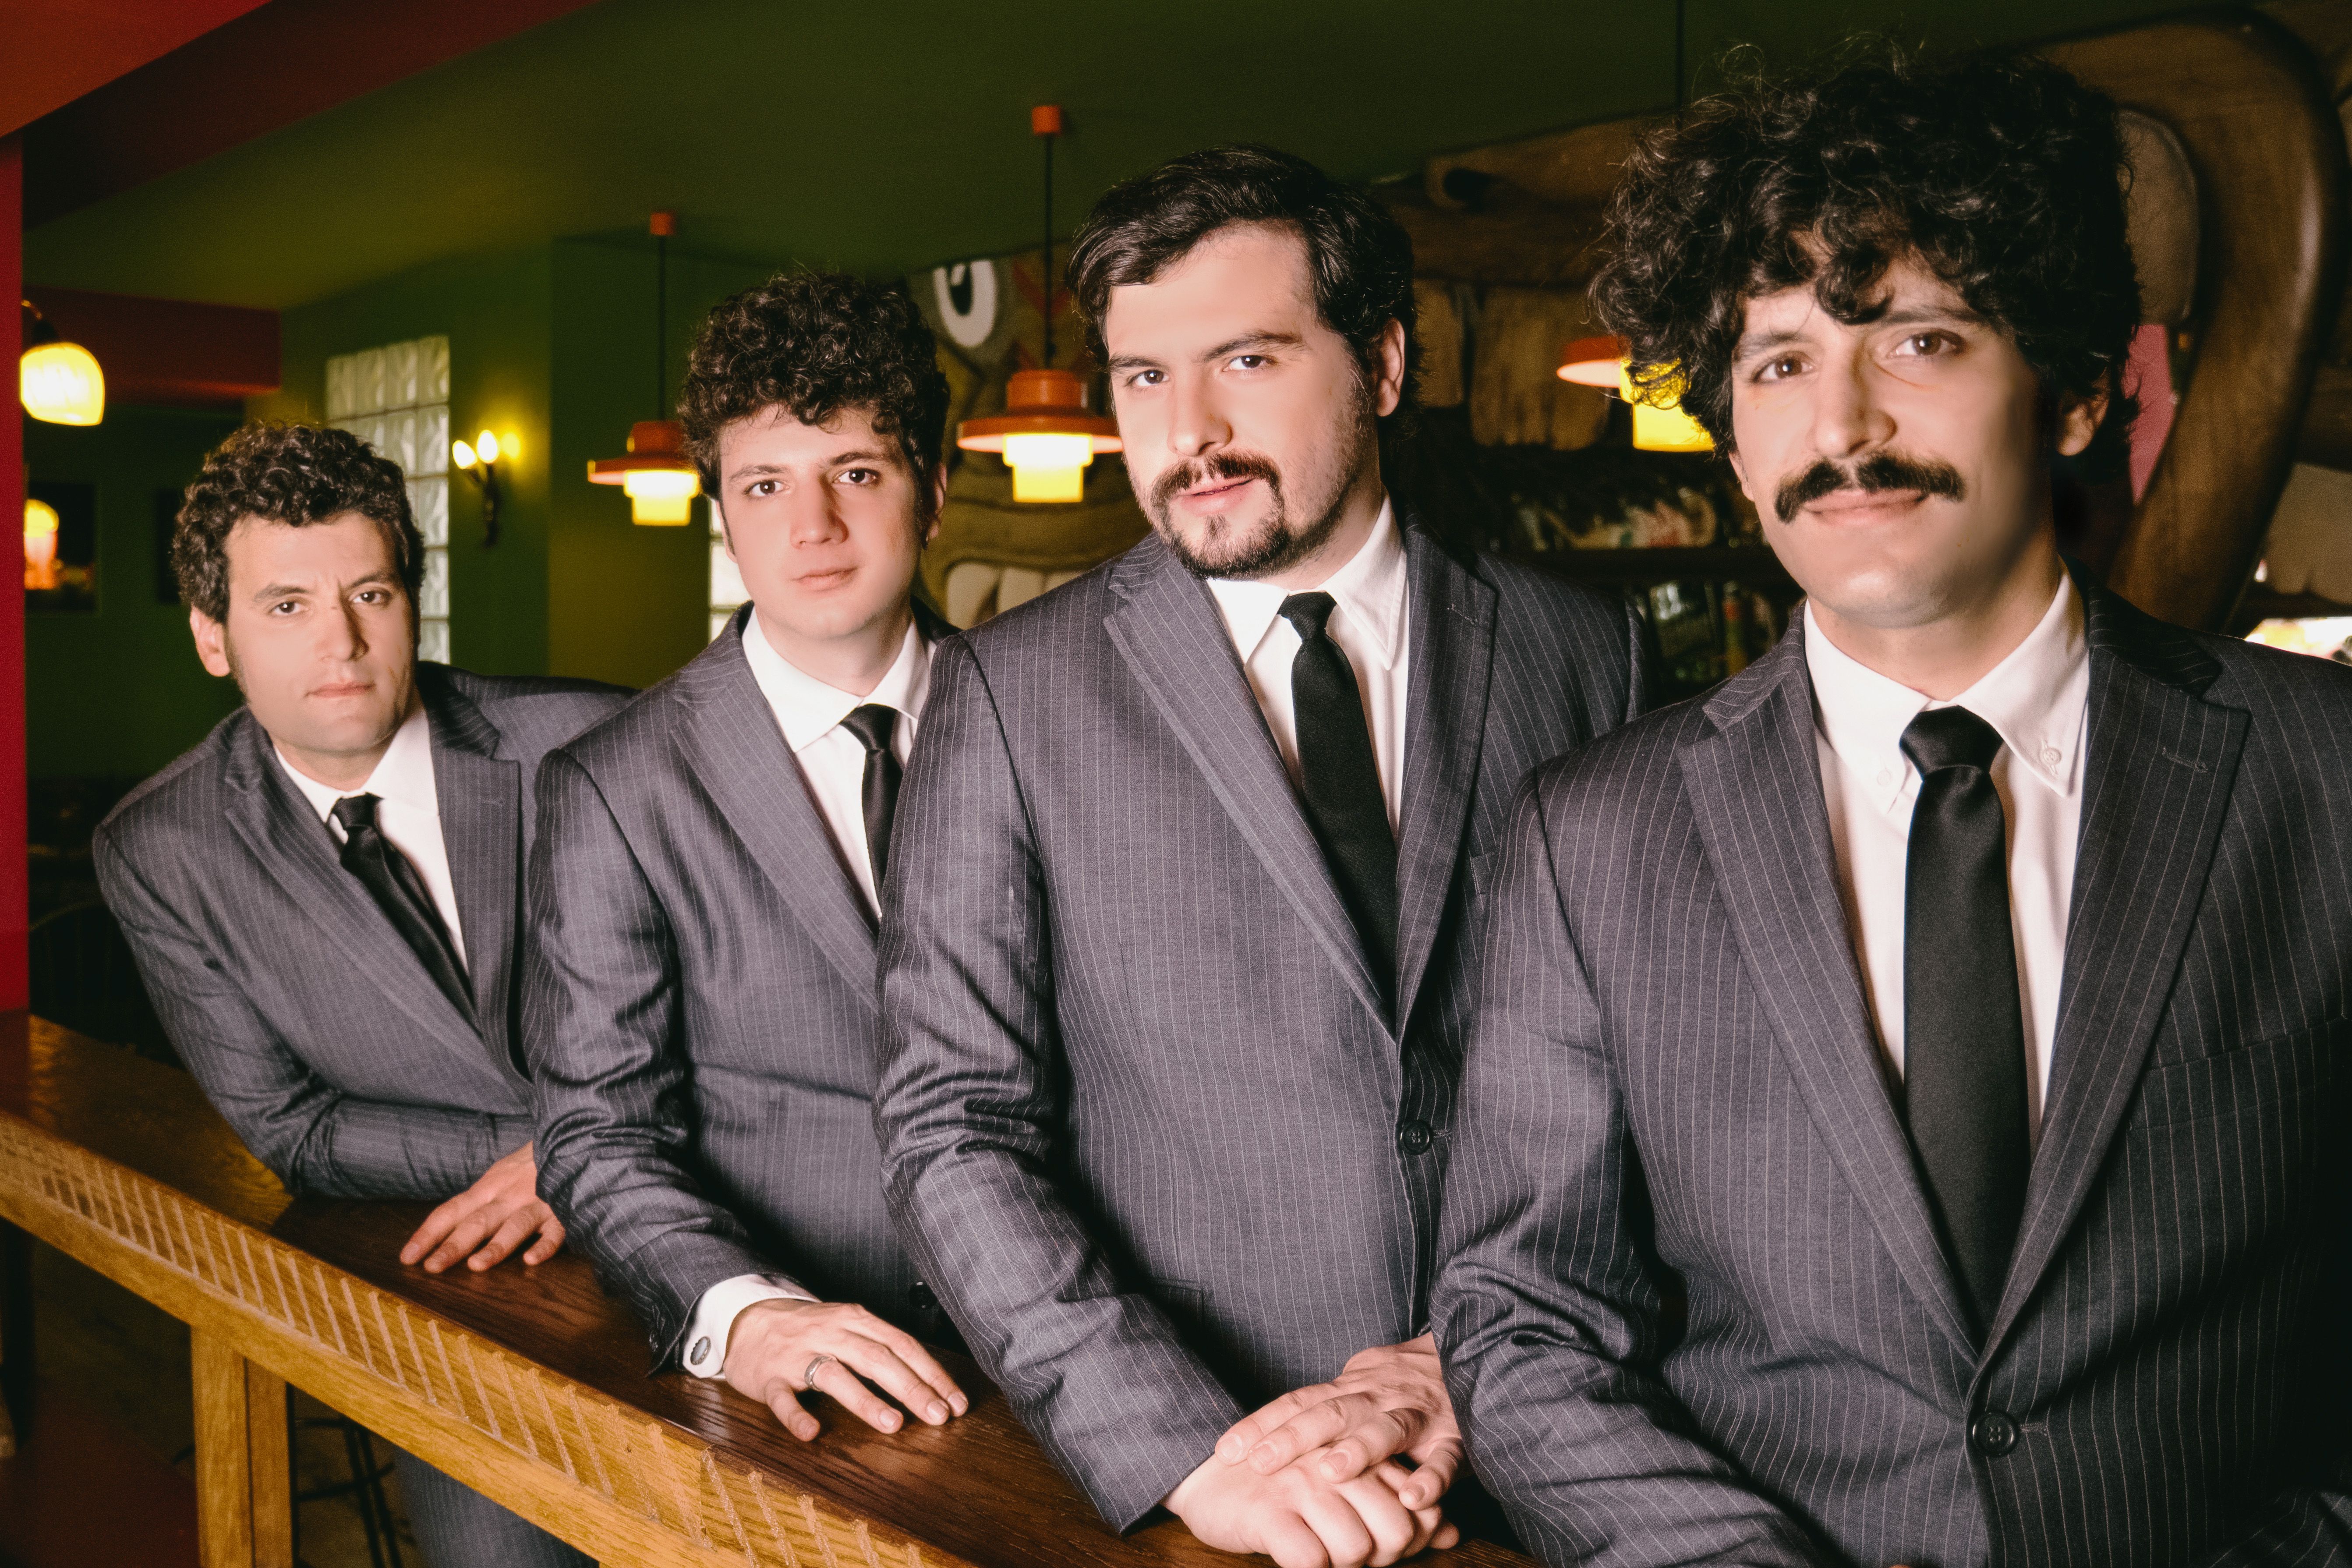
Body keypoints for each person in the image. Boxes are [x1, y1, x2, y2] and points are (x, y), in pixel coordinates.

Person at [1432, 47, 2352, 1568]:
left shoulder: (2326, 772)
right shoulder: (1587, 837)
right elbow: (1525, 1316)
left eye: (1918, 340)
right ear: (1732, 441)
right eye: (1777, 364)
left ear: (2074, 389)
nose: (1841, 425)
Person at [874, 145, 1646, 1568]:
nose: (1191, 430)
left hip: (1566, 1443)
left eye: (1246, 358)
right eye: (1143, 376)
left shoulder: (1583, 652)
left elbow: (1650, 1081)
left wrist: (1478, 1349)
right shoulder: (1007, 692)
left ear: (1384, 363)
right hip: (1229, 1476)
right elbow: (952, 1127)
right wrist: (1180, 1451)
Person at [95, 422, 626, 1568]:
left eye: (370, 594)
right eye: (286, 605)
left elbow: (754, 1014)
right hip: (474, 1278)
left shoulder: (591, 741)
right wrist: (545, 1153)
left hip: (722, 1217)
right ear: (212, 637)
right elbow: (292, 1126)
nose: (340, 641)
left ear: (411, 605)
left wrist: (585, 1149)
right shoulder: (165, 847)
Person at [521, 271, 966, 1446]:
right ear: (722, 509)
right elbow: (598, 1132)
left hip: (1082, 1346)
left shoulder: (1056, 719)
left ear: (934, 489)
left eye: (855, 473)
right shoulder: (615, 785)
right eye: (765, 485)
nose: (811, 526)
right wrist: (746, 1313)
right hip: (793, 1374)